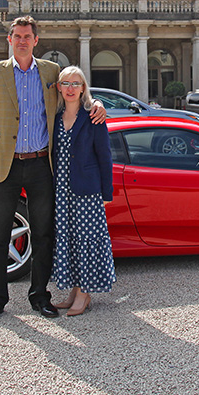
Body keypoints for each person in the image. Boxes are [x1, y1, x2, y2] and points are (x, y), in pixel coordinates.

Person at [0, 16, 106, 324]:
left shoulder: (50, 72)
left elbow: (75, 89)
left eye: (27, 36)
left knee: (44, 233)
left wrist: (97, 102)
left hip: (41, 164)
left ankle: (39, 296)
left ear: (36, 41)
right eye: (17, 36)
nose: (22, 40)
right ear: (10, 40)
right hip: (6, 163)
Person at [51, 66, 115, 316]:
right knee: (69, 241)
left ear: (83, 88)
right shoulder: (55, 117)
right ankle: (74, 290)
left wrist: (106, 193)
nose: (70, 88)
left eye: (75, 83)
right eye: (65, 83)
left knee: (87, 242)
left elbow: (105, 156)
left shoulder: (93, 116)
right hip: (62, 192)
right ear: (59, 87)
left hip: (87, 192)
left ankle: (85, 293)